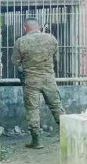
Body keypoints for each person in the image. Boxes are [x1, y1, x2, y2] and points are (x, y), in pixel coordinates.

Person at [12, 18, 64, 149]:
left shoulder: (21, 41)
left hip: (31, 80)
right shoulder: (51, 38)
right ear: (39, 27)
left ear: (25, 28)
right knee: (56, 106)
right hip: (49, 78)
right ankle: (68, 134)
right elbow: (57, 59)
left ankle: (36, 141)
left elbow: (16, 62)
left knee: (32, 109)